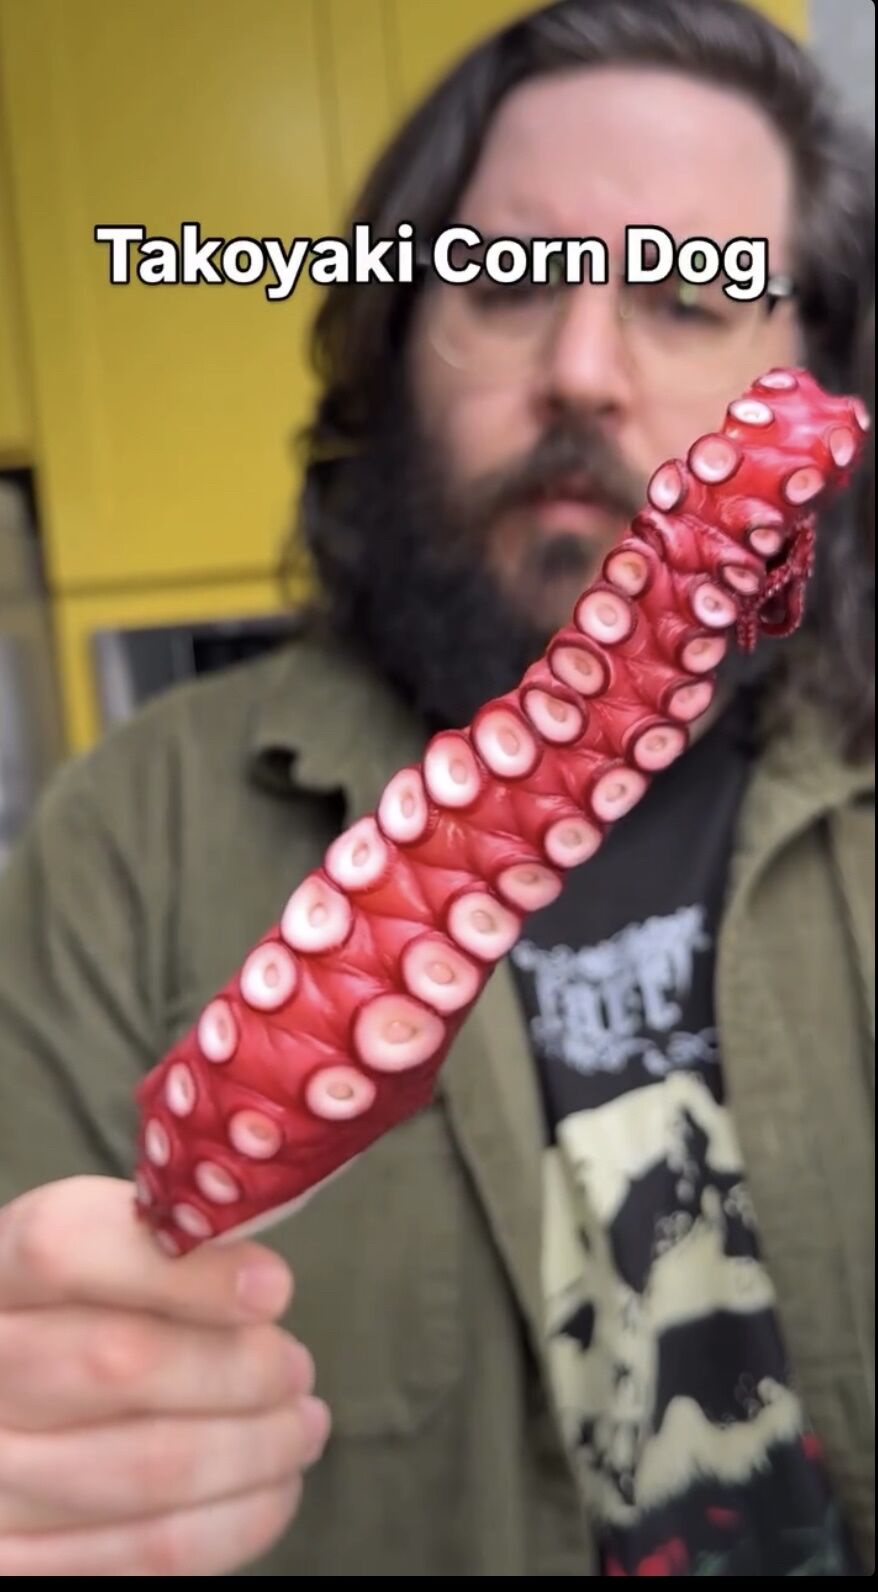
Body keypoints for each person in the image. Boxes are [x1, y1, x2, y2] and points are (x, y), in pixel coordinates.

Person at [0, 0, 873, 1577]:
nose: (582, 370)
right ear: (396, 339)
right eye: (505, 280)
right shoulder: (123, 839)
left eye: (688, 295)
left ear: (809, 363)